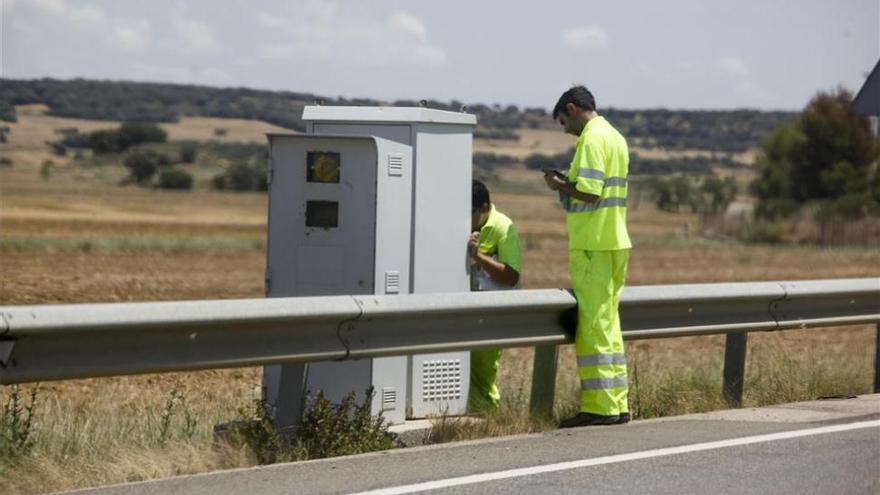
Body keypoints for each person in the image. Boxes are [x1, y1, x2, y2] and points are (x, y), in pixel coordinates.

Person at [542, 86, 632, 427]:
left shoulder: (592, 139)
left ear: (572, 108)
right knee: (608, 326)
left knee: (593, 327)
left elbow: (591, 194)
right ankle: (616, 403)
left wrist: (558, 185)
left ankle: (598, 408)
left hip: (593, 244)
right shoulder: (615, 137)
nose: (565, 130)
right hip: (613, 241)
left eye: (564, 122)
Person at [468, 179, 522, 411]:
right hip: (464, 311)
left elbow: (511, 276)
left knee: (483, 370)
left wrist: (478, 257)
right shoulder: (462, 225)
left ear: (484, 207)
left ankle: (488, 415)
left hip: (491, 314)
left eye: (470, 213)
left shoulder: (502, 226)